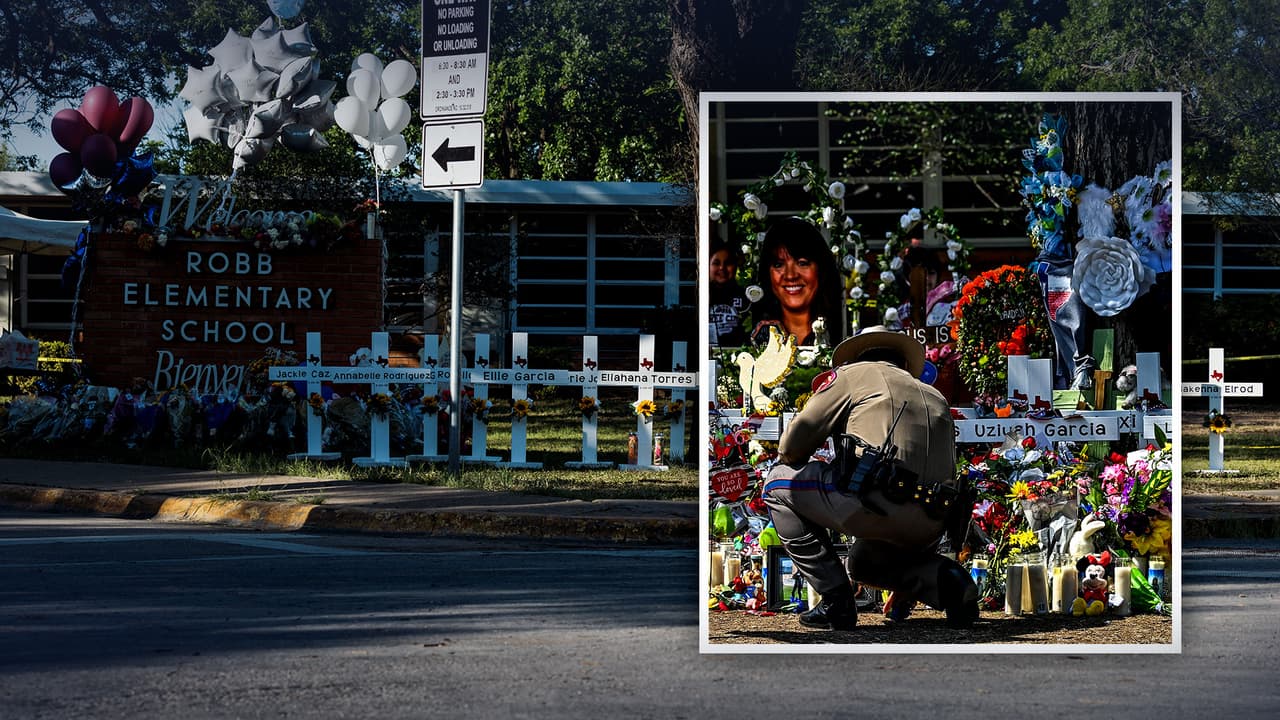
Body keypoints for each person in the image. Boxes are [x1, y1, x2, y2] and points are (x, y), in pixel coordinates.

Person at [761, 325, 977, 630]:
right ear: (902, 361)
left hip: (872, 502)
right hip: (931, 523)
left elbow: (791, 447)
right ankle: (946, 580)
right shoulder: (935, 396)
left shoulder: (852, 375)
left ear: (861, 355)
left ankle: (836, 600)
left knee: (776, 482)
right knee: (862, 562)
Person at [750, 217, 845, 348]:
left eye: (802, 263)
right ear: (767, 273)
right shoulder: (753, 338)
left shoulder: (845, 336)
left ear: (821, 269)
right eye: (779, 265)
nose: (791, 275)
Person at [709, 237, 748, 346]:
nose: (722, 268)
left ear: (735, 266)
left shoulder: (745, 296)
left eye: (728, 263)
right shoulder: (702, 295)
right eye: (716, 263)